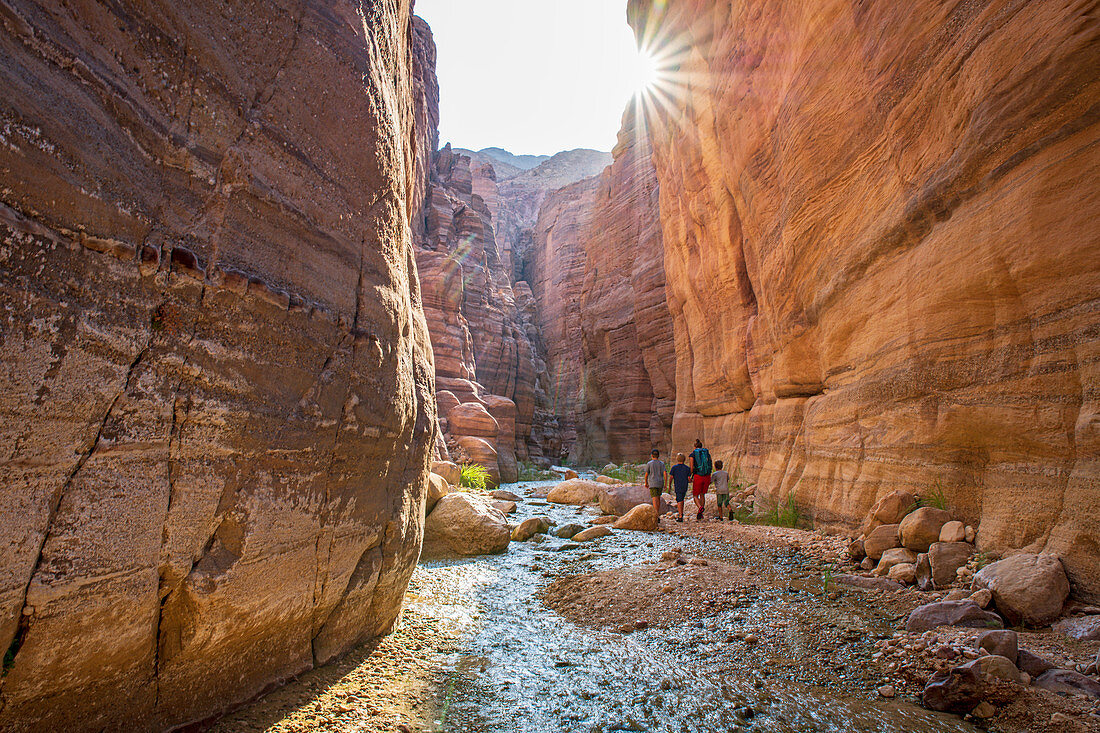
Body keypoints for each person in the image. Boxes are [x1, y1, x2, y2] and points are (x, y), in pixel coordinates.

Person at [688, 438, 713, 521]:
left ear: (694, 447)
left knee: (695, 495)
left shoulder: (693, 454)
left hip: (698, 476)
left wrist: (689, 475)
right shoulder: (706, 453)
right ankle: (701, 514)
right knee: (702, 494)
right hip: (706, 476)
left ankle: (700, 507)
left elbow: (691, 468)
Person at [668, 453, 692, 522]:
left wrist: (669, 486)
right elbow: (689, 479)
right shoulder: (687, 468)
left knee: (679, 499)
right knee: (681, 499)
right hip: (684, 485)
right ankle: (681, 513)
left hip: (678, 485)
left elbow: (671, 477)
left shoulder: (674, 468)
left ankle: (680, 515)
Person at [643, 449, 667, 515]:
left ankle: (656, 514)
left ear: (652, 455)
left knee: (654, 498)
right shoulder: (662, 464)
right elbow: (665, 473)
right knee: (658, 498)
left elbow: (646, 474)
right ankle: (657, 513)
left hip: (653, 483)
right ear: (658, 455)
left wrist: (646, 482)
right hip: (660, 483)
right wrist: (666, 484)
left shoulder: (649, 463)